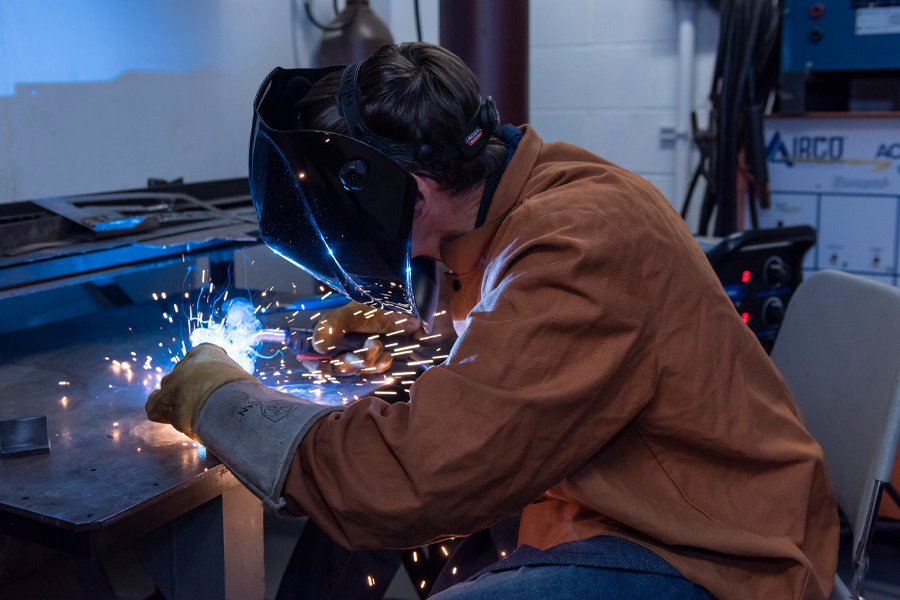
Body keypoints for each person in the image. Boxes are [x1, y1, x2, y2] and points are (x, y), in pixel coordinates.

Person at [146, 42, 839, 600]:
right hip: (616, 509)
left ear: (410, 192)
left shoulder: (581, 243)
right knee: (365, 534)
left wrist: (224, 401)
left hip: (708, 552)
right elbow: (531, 347)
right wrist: (411, 345)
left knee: (388, 505)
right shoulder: (535, 196)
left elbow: (410, 478)